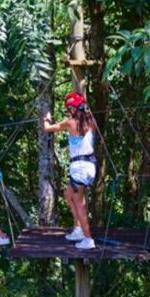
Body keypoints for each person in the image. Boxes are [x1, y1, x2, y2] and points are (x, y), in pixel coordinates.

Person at [43, 91, 97, 249]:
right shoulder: (91, 121)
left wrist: (46, 117)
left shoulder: (70, 123)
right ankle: (79, 229)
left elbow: (48, 128)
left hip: (79, 167)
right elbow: (83, 117)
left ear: (73, 108)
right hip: (89, 165)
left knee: (79, 203)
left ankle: (88, 239)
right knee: (69, 194)